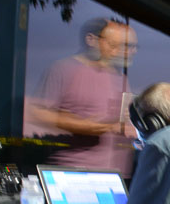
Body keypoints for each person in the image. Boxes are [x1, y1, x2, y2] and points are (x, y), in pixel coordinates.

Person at [31, 18, 137, 177]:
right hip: (75, 175)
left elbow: (121, 123)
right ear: (91, 40)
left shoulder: (120, 78)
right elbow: (37, 113)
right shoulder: (63, 69)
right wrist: (91, 126)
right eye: (113, 45)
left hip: (115, 178)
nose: (119, 51)